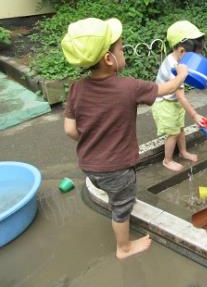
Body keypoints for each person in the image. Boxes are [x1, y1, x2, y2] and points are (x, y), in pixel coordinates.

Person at [61, 17, 188, 259]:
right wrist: (182, 72)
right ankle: (124, 247)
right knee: (121, 207)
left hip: (89, 165)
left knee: (115, 193)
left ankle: (118, 198)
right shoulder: (128, 87)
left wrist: (93, 140)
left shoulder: (76, 88)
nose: (123, 51)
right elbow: (168, 88)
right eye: (121, 48)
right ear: (109, 59)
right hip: (117, 168)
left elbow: (70, 130)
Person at [152, 20, 206, 171]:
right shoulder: (173, 68)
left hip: (173, 101)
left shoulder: (178, 60)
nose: (196, 58)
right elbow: (181, 96)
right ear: (182, 51)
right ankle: (167, 160)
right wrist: (195, 115)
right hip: (164, 104)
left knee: (180, 129)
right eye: (194, 55)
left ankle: (183, 152)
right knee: (173, 133)